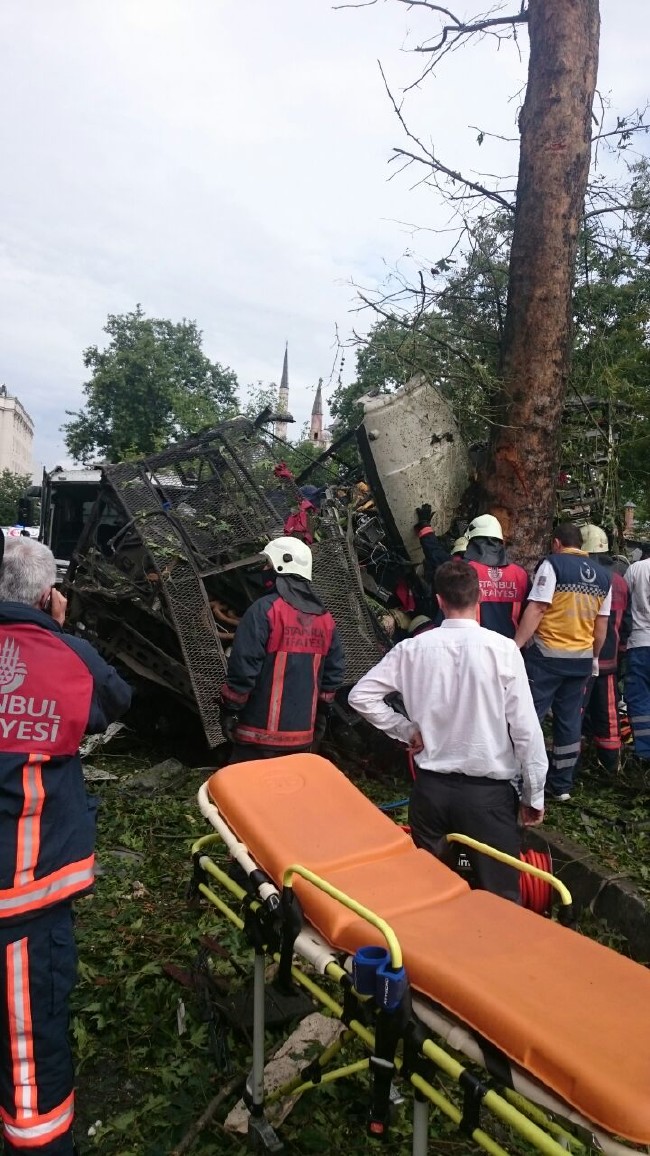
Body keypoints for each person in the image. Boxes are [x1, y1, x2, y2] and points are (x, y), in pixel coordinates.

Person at [0, 537, 131, 1156]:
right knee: (28, 1048)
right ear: (50, 594)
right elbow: (111, 704)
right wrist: (58, 632)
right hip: (22, 900)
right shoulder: (66, 657)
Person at [348, 559, 547, 903]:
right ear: (480, 596)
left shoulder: (412, 649)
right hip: (488, 799)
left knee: (430, 894)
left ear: (439, 600)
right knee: (500, 900)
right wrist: (534, 796)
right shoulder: (503, 650)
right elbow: (526, 731)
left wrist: (405, 729)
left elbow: (360, 696)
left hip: (431, 794)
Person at [219, 536, 345, 761]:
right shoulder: (325, 619)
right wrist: (322, 713)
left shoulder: (264, 610)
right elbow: (333, 674)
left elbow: (244, 667)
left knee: (246, 794)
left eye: (267, 563)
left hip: (257, 738)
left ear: (279, 566)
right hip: (302, 739)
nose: (264, 569)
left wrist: (231, 709)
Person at [515, 522, 611, 801]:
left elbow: (537, 607)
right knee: (570, 723)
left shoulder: (553, 565)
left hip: (546, 658)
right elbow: (601, 624)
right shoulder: (604, 576)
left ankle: (522, 782)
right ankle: (562, 786)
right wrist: (593, 656)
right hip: (580, 662)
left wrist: (516, 645)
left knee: (529, 718)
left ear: (557, 543)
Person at [415, 508, 529, 638]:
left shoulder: (463, 570)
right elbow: (532, 613)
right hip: (510, 649)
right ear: (501, 541)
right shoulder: (520, 575)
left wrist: (424, 527)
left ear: (471, 541)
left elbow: (436, 555)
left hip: (472, 646)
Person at [580, 524, 630, 773]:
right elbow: (627, 623)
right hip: (609, 660)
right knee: (609, 716)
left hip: (580, 658)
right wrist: (620, 653)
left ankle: (573, 766)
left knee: (575, 711)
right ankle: (610, 767)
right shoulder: (620, 581)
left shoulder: (583, 576)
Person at [624, 545, 650, 764]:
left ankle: (644, 752)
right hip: (639, 642)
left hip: (640, 642)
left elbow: (622, 602)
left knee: (640, 698)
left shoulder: (636, 569)